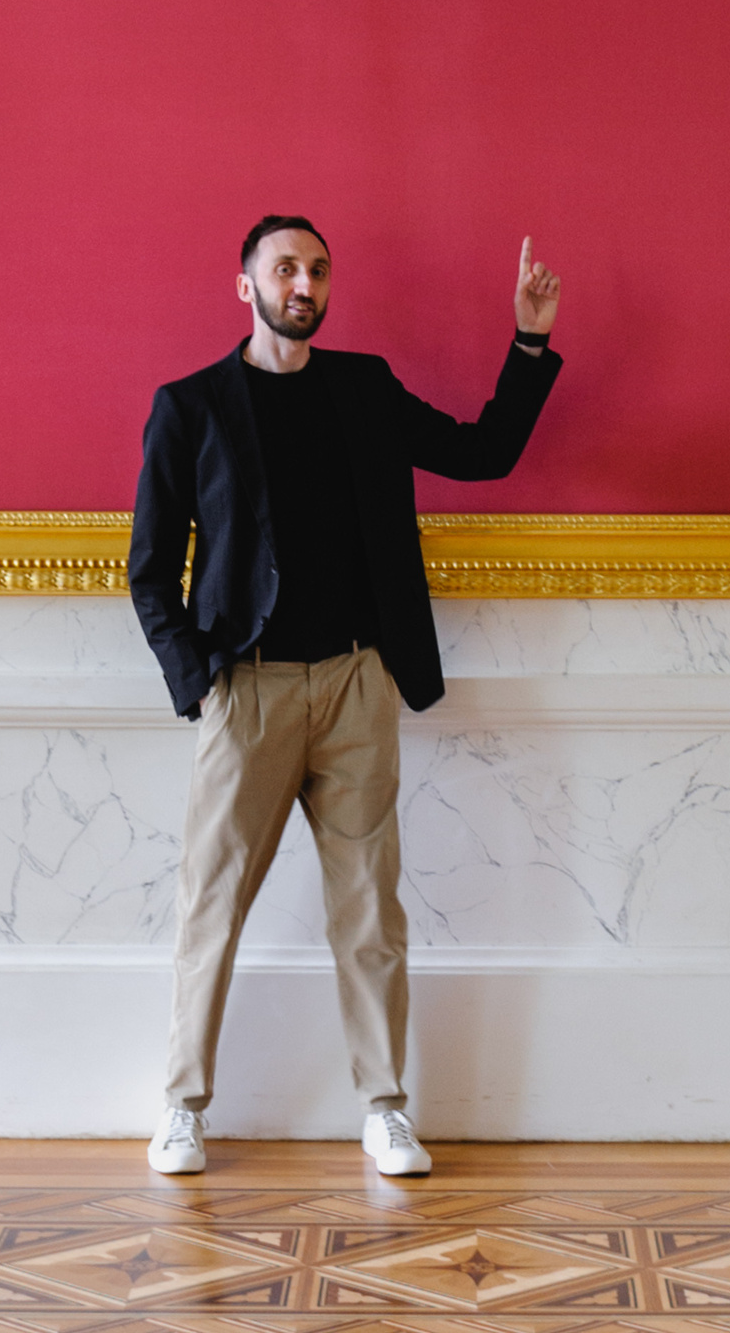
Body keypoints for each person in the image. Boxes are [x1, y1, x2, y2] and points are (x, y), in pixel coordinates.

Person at [129, 214, 563, 1178]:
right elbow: (149, 569)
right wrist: (200, 684)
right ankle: (182, 1108)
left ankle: (385, 1108)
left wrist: (529, 343)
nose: (304, 284)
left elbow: (483, 453)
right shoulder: (191, 406)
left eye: (318, 270)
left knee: (370, 911)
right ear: (246, 285)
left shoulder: (363, 388)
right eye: (285, 268)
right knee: (211, 907)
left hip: (358, 683)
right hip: (246, 690)